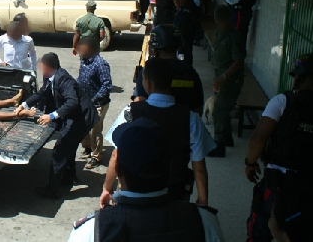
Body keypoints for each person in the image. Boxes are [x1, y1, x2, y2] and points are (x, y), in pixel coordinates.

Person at [70, 118, 224, 242]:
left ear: (117, 169)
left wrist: (107, 188)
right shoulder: (204, 223)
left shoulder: (90, 231)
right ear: (170, 166)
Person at [102, 58, 216, 207]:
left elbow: (116, 154)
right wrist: (202, 201)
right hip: (174, 193)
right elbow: (199, 166)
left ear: (148, 83)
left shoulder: (131, 112)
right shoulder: (190, 117)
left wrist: (107, 189)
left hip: (134, 192)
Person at [244, 53, 313, 242]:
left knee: (259, 231)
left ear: (300, 78)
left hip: (278, 185)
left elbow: (257, 139)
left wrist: (250, 163)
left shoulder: (283, 101)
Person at [16, 53, 99, 198]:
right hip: (75, 117)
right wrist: (23, 105)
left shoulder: (64, 79)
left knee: (60, 150)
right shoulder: (52, 77)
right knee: (70, 147)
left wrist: (51, 116)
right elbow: (42, 93)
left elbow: (72, 102)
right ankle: (69, 176)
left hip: (81, 119)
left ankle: (53, 190)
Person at [133, 24, 204, 114]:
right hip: (184, 126)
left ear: (155, 50)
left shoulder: (149, 72)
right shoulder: (191, 73)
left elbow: (138, 104)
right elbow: (198, 110)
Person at [208, 5, 246, 158]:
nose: (219, 24)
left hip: (230, 79)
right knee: (222, 107)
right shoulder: (221, 33)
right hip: (220, 76)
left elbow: (238, 61)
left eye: (221, 21)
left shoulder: (234, 36)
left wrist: (223, 78)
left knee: (220, 110)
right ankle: (227, 137)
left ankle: (219, 144)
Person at [77, 37, 112, 170]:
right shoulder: (84, 61)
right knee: (83, 127)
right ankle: (87, 148)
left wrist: (94, 100)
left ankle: (96, 156)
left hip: (98, 104)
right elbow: (81, 79)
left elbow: (107, 85)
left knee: (95, 131)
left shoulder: (100, 64)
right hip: (84, 102)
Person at [173, 0, 201, 66]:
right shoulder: (183, 8)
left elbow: (186, 27)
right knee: (181, 56)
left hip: (185, 40)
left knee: (184, 59)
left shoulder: (190, 9)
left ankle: (185, 70)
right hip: (181, 41)